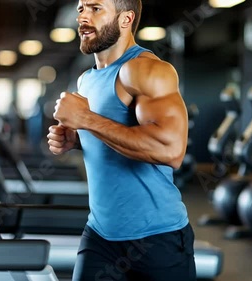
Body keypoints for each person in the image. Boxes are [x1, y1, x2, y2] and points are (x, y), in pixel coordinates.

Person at [47, 0, 196, 280]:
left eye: (95, 8)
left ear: (126, 19)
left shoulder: (145, 70)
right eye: (81, 9)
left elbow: (171, 149)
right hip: (100, 235)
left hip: (157, 238)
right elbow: (113, 133)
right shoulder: (86, 80)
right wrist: (77, 139)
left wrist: (87, 120)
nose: (83, 17)